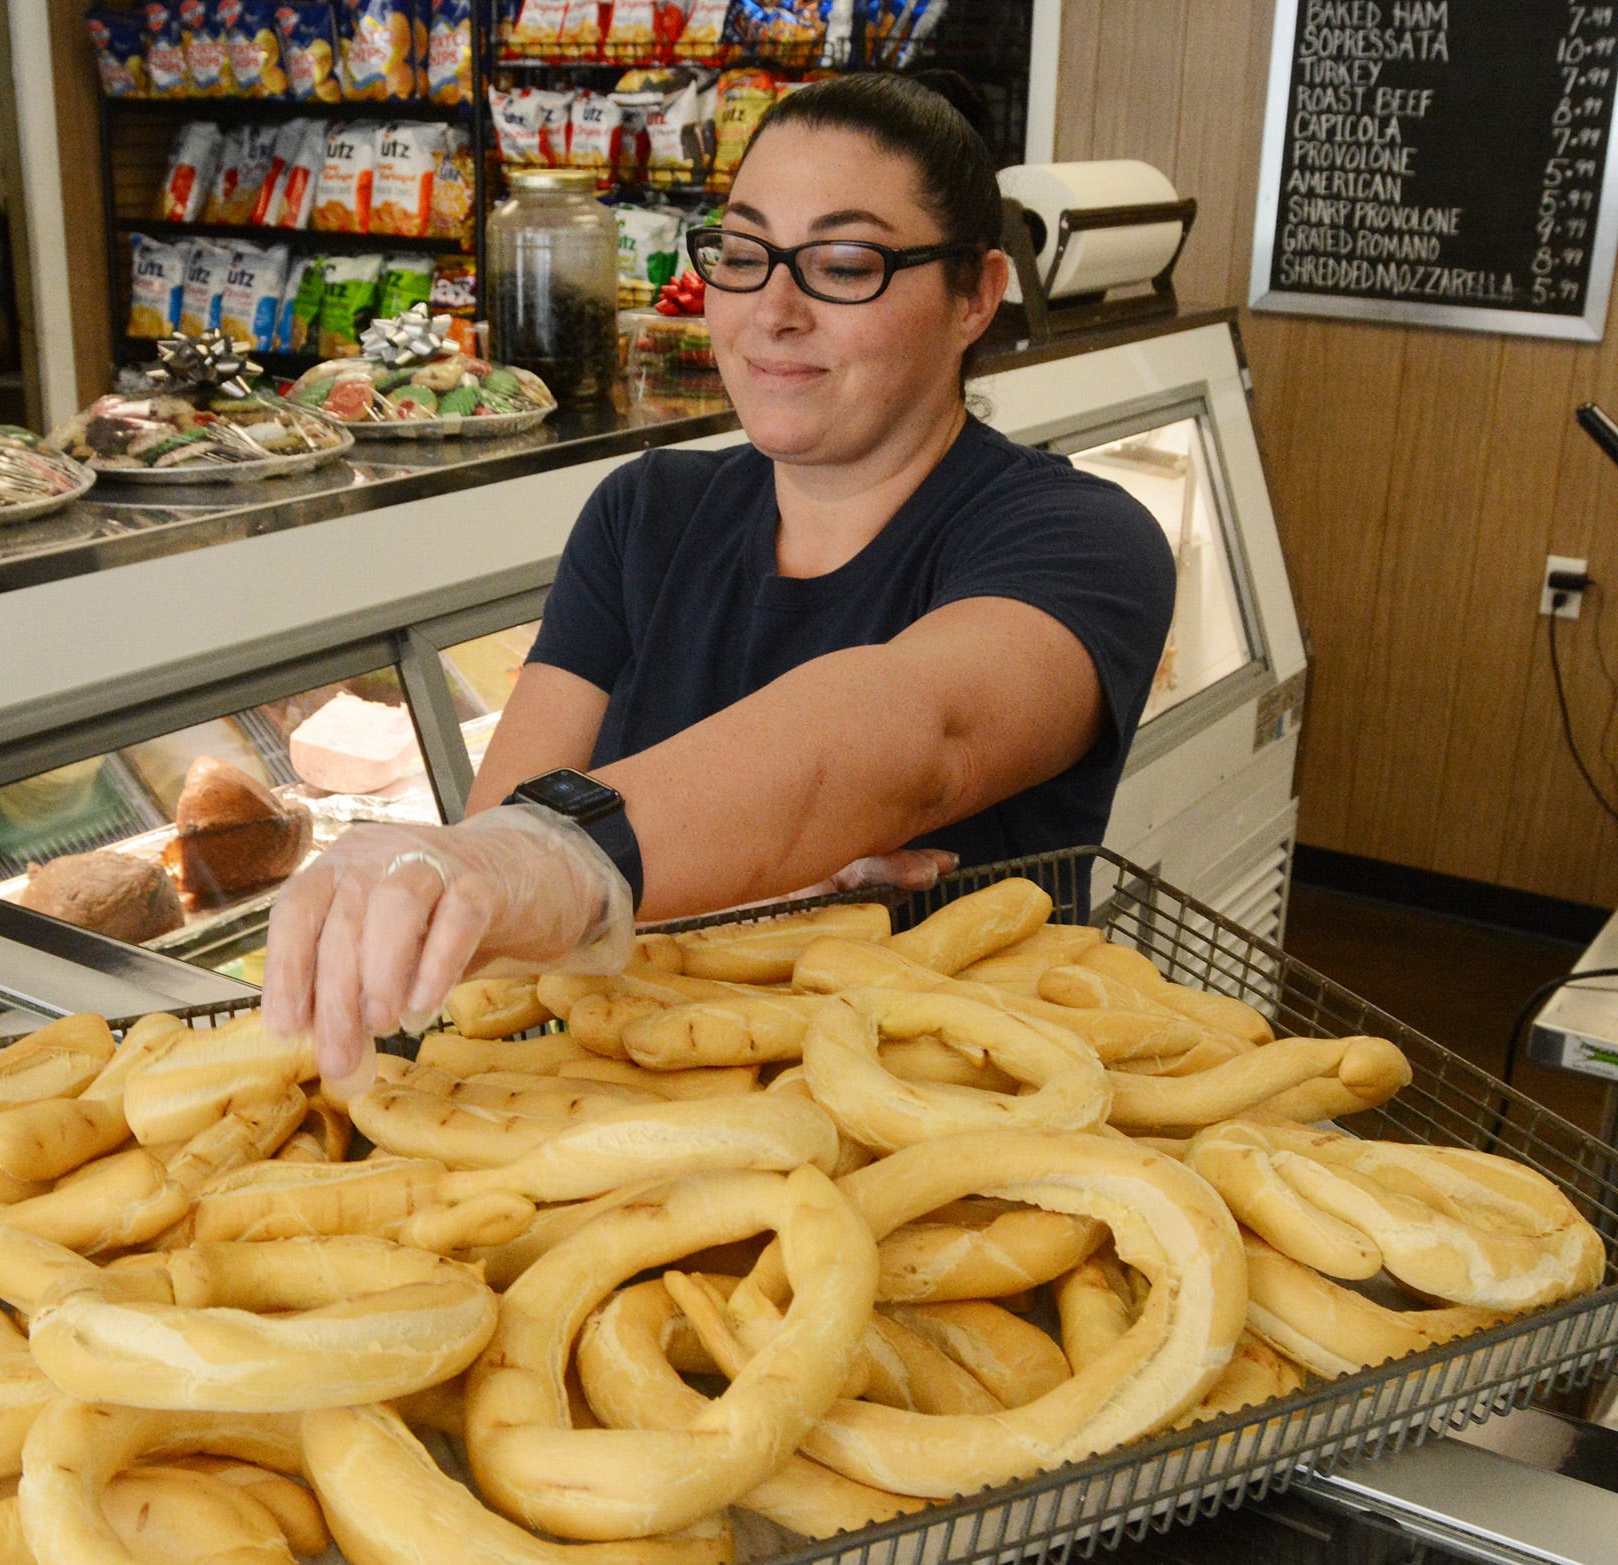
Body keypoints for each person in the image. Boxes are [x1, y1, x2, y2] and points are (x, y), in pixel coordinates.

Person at [264, 73, 1177, 1092]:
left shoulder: (1082, 538)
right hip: (622, 1115)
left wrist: (574, 859)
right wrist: (515, 861)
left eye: (841, 263)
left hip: (955, 1134)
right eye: (741, 255)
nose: (770, 312)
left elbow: (920, 732)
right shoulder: (646, 512)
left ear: (973, 293)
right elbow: (508, 852)